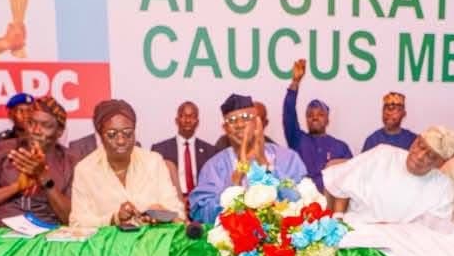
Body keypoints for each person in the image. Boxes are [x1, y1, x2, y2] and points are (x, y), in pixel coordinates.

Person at [190, 94, 308, 225]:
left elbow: (302, 203)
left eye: (246, 118)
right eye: (232, 120)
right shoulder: (213, 167)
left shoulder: (288, 158)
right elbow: (202, 215)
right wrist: (234, 182)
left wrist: (265, 165)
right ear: (225, 128)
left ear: (258, 122)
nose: (239, 124)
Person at [69, 99, 184, 229]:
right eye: (112, 134)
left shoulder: (153, 162)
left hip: (151, 244)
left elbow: (178, 213)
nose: (121, 140)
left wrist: (161, 213)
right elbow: (77, 223)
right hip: (108, 246)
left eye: (128, 133)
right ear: (100, 135)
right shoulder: (85, 170)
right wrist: (114, 218)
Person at [0, 95, 75, 227]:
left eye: (45, 126)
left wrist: (44, 178)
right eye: (31, 123)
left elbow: (70, 218)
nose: (36, 131)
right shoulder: (4, 149)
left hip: (47, 232)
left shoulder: (69, 161)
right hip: (1, 229)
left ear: (59, 131)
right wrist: (17, 187)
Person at [323, 126, 454, 224]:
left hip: (403, 247)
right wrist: (338, 218)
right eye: (420, 146)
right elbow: (341, 182)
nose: (420, 156)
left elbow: (432, 233)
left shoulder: (443, 188)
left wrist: (392, 231)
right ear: (415, 140)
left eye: (430, 156)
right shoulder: (382, 155)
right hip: (358, 231)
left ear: (440, 163)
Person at [282, 60, 353, 190]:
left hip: (331, 202)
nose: (314, 117)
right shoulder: (298, 139)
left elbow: (352, 176)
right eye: (310, 115)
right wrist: (295, 82)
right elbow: (289, 113)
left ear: (327, 120)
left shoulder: (341, 147)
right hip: (301, 201)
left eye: (320, 114)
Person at [151, 101, 218, 201]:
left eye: (192, 116)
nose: (187, 120)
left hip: (201, 203)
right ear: (177, 120)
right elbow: (155, 185)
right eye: (183, 116)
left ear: (197, 121)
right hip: (171, 202)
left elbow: (213, 184)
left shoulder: (211, 151)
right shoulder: (160, 150)